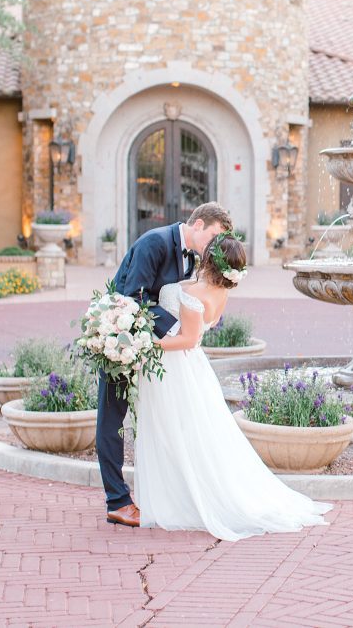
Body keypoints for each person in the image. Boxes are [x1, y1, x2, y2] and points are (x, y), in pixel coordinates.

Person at [134, 233, 332, 540]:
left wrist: (146, 345)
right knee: (193, 433)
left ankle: (180, 497)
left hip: (175, 367)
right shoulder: (219, 292)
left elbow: (186, 338)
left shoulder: (196, 293)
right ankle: (185, 489)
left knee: (173, 430)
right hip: (193, 367)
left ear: (212, 259)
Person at [98, 202, 232, 528]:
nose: (214, 246)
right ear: (198, 224)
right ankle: (117, 502)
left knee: (166, 421)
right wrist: (179, 329)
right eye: (213, 236)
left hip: (155, 350)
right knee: (112, 418)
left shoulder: (195, 258)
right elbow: (136, 297)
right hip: (122, 340)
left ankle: (171, 494)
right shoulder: (155, 243)